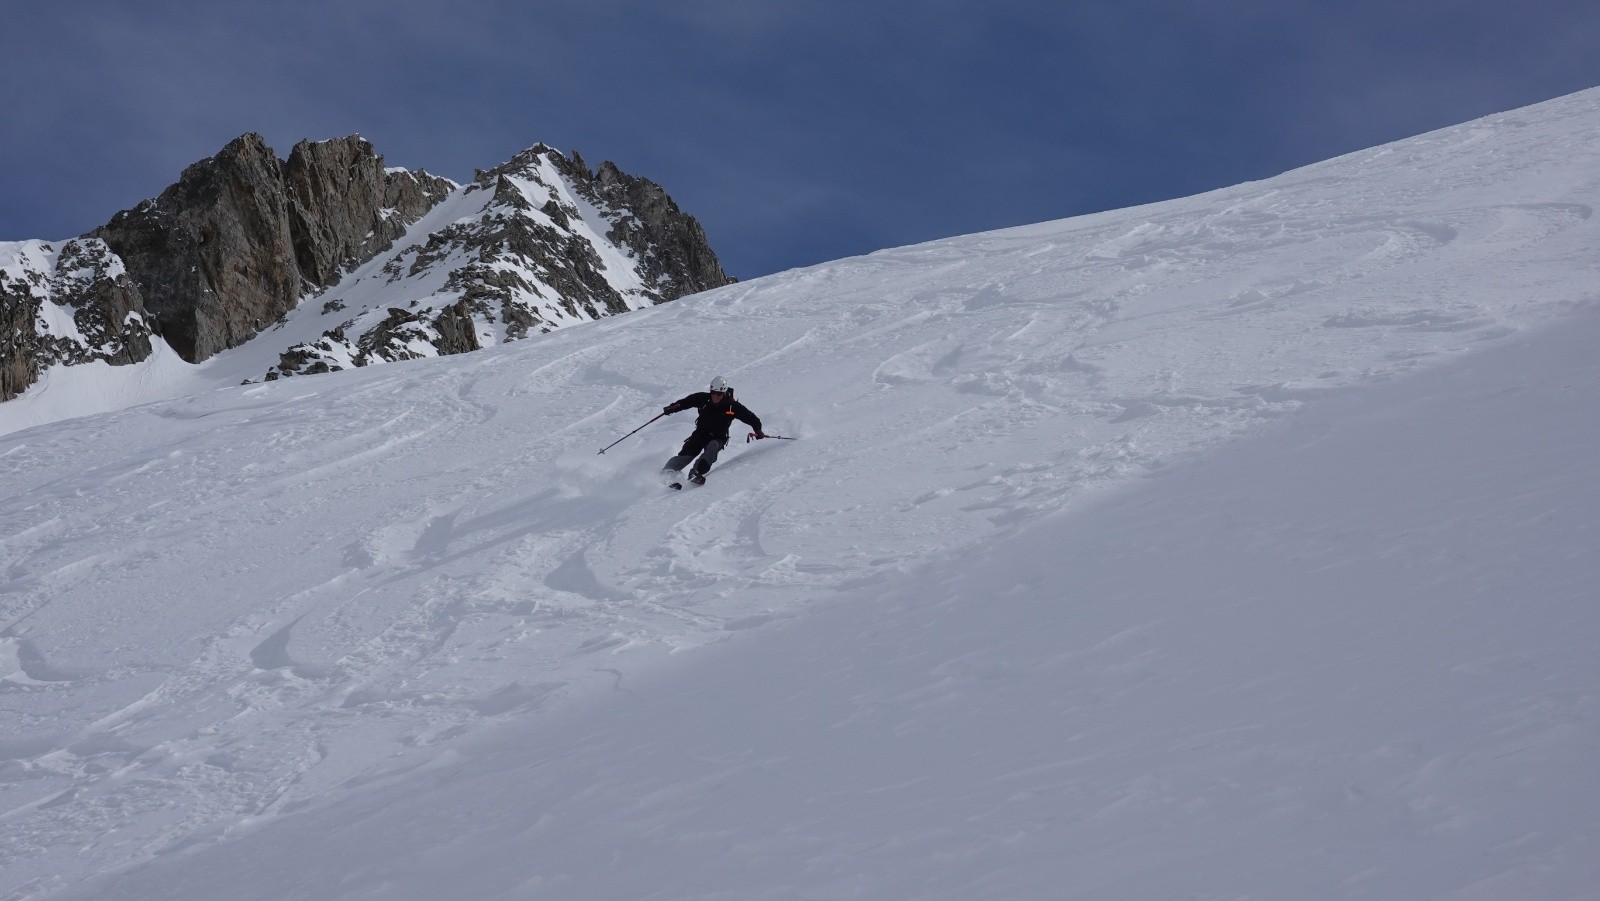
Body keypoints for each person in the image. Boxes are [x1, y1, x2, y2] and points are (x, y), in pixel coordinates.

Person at [660, 376, 764, 485]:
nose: (715, 396)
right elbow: (686, 402)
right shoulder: (703, 398)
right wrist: (672, 408)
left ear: (723, 393)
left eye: (718, 394)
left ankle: (695, 473)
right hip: (700, 434)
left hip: (718, 437)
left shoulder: (732, 406)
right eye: (713, 392)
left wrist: (758, 430)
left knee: (712, 446)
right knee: (687, 454)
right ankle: (667, 474)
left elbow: (750, 417)